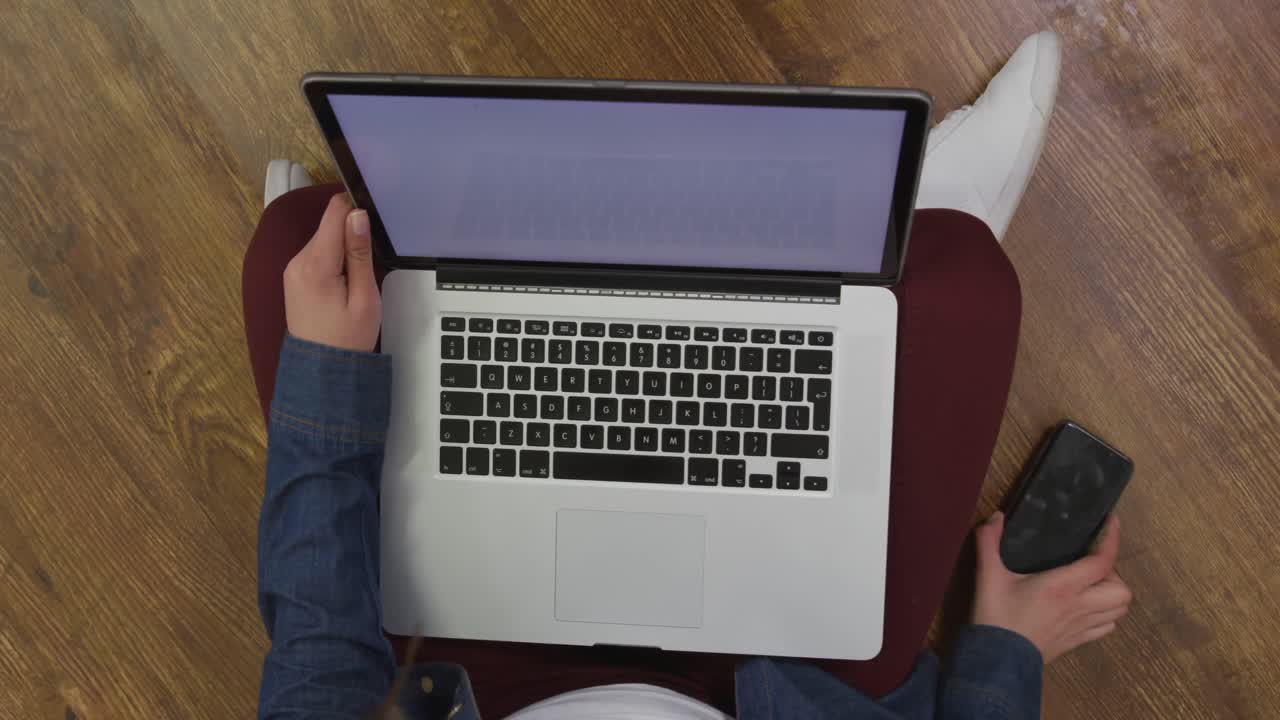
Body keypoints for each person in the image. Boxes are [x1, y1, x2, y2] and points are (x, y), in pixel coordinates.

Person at [245, 31, 1132, 719]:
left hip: (474, 668)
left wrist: (329, 374)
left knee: (290, 246)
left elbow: (321, 674)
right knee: (966, 281)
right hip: (797, 680)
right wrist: (1003, 654)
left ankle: (386, 230)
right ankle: (895, 223)